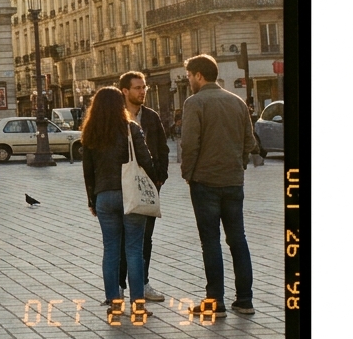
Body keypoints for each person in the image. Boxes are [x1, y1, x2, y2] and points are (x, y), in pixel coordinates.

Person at [180, 54, 257, 317]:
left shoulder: (195, 102)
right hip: (233, 182)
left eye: (190, 76)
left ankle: (216, 302)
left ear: (199, 76)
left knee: (210, 242)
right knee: (238, 239)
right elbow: (250, 141)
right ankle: (245, 300)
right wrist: (238, 165)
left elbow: (190, 144)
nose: (188, 80)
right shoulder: (237, 102)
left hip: (205, 182)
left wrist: (188, 173)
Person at [81, 86, 154, 315]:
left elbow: (88, 171)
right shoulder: (131, 129)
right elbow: (146, 161)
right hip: (130, 194)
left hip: (104, 196)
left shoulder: (91, 132)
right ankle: (138, 305)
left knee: (110, 249)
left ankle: (114, 302)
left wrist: (92, 200)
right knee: (134, 250)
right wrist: (153, 184)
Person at [116, 71, 169, 302]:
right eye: (137, 88)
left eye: (144, 87)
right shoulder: (115, 117)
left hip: (147, 186)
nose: (142, 91)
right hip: (121, 185)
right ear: (125, 91)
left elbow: (162, 148)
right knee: (121, 239)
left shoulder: (151, 117)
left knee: (145, 238)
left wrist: (160, 177)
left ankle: (143, 283)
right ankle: (119, 285)